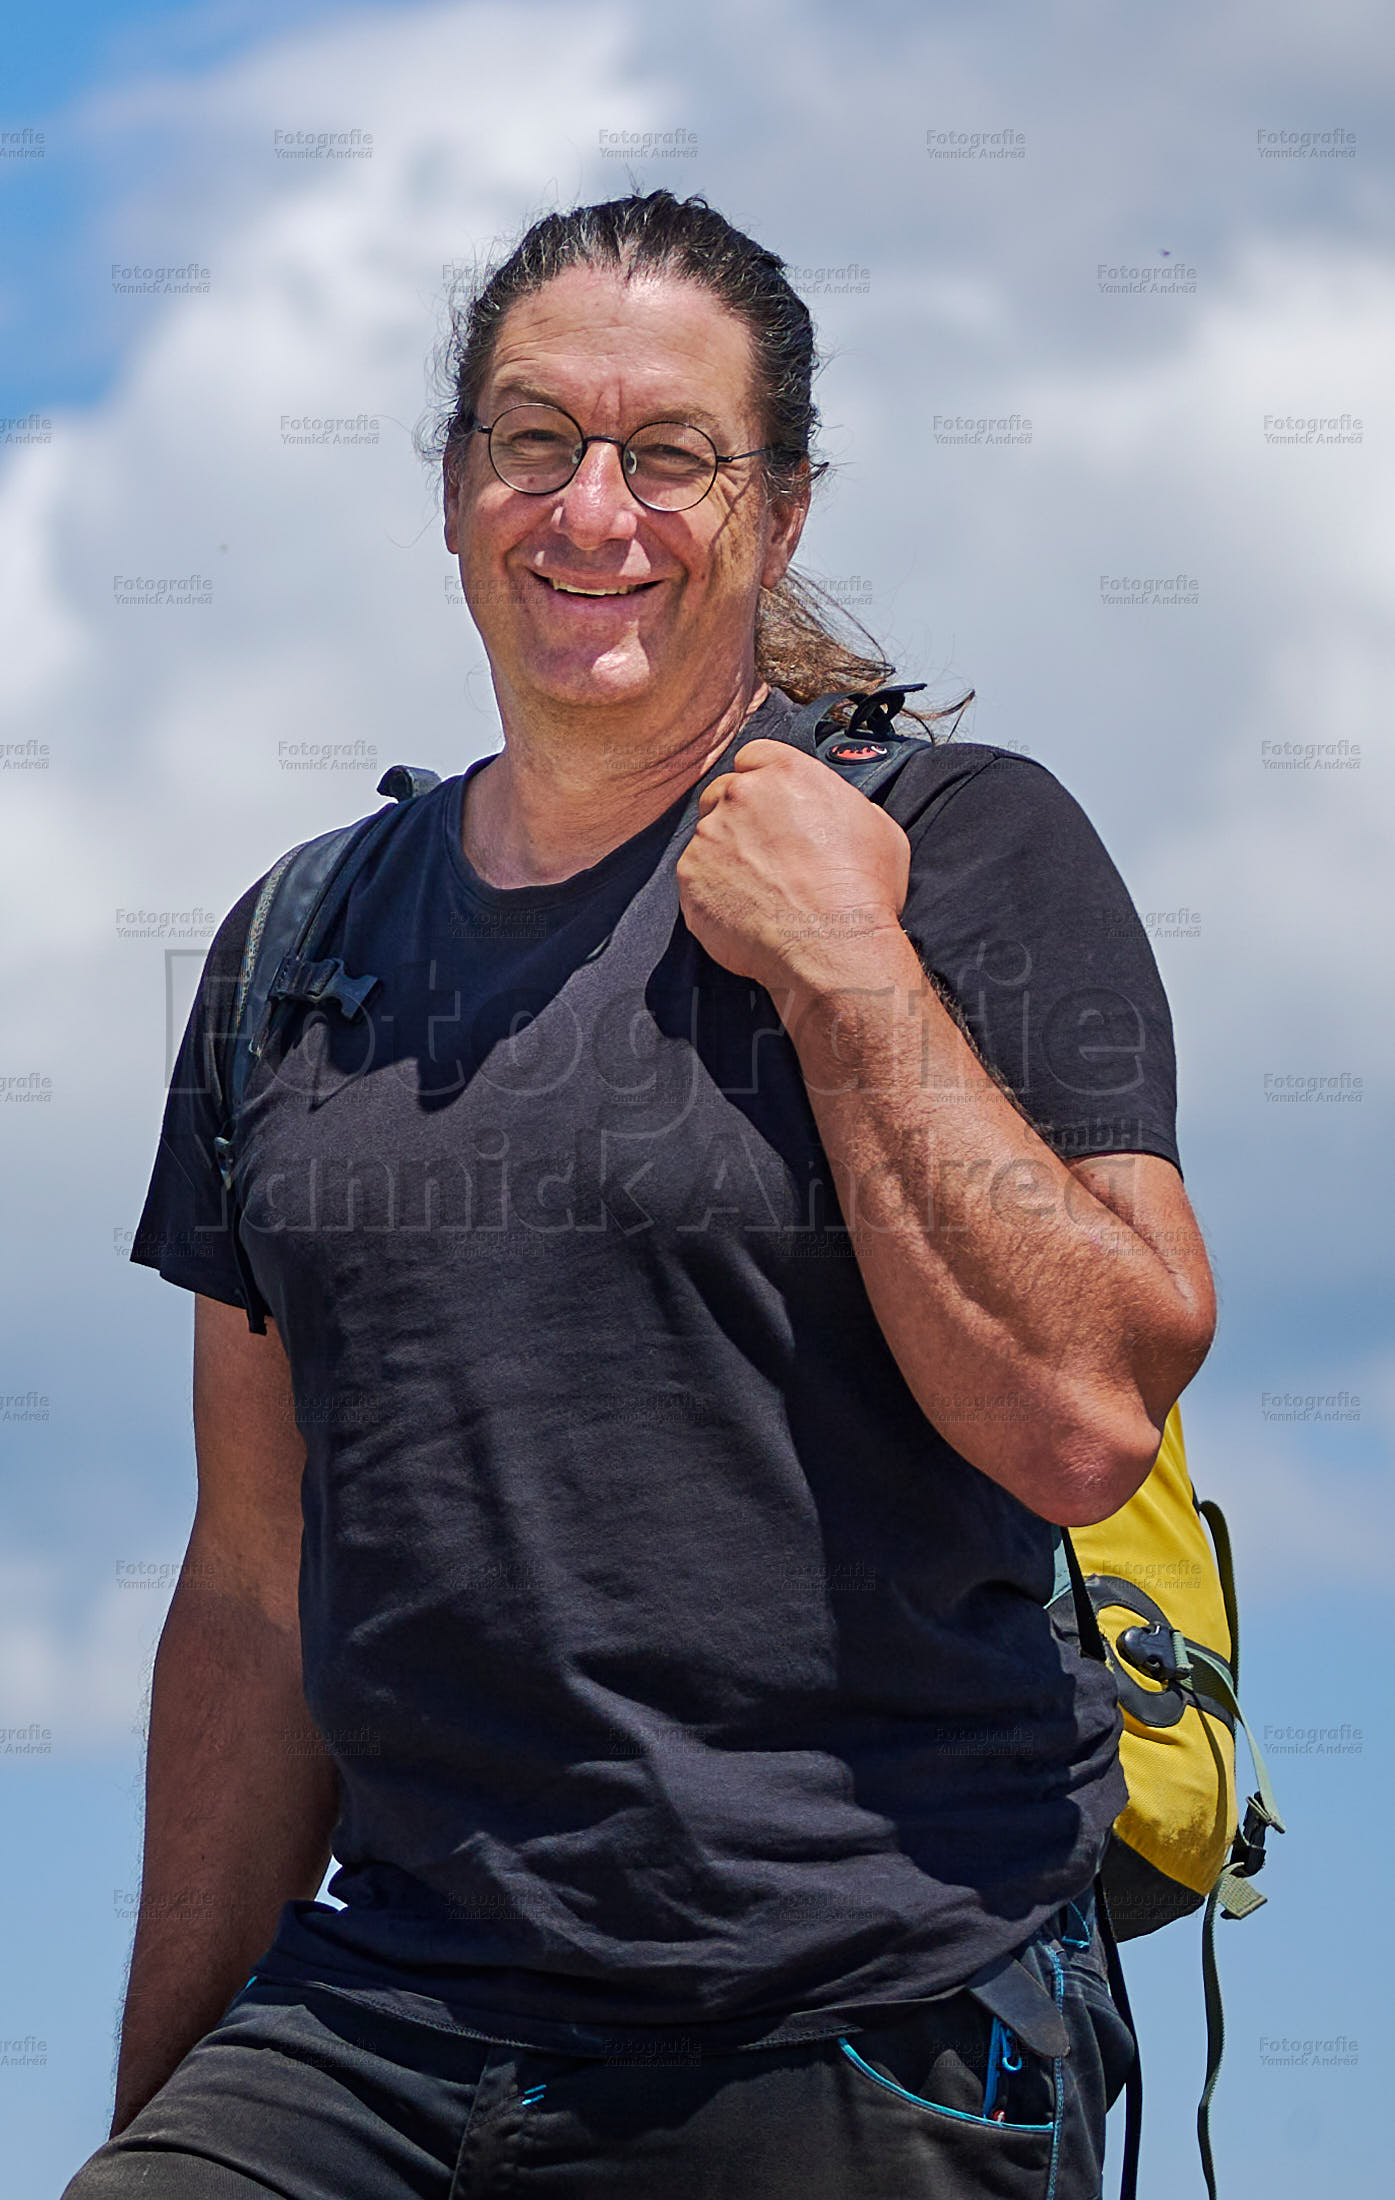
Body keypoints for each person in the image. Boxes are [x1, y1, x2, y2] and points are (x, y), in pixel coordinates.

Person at [64, 190, 1215, 2199]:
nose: (590, 509)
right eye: (532, 440)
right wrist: (158, 2116)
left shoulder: (958, 846)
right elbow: (253, 1589)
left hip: (863, 2004)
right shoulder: (293, 950)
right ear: (450, 493)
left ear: (770, 511)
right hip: (401, 2015)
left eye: (666, 455)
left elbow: (1084, 1409)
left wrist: (848, 972)